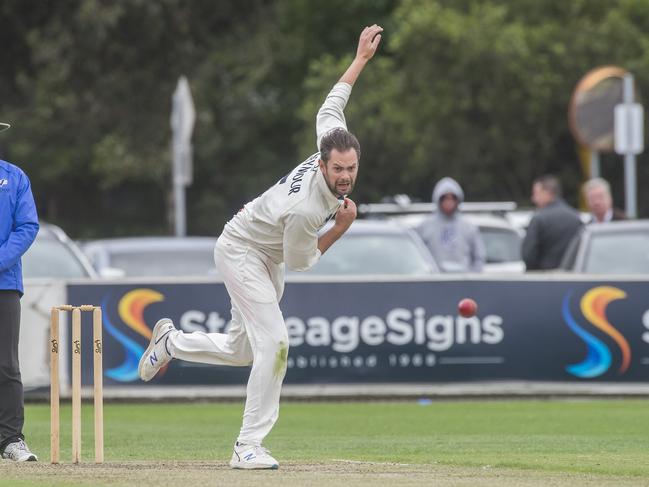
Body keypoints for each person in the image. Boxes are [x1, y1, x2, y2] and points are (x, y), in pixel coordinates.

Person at [138, 25, 383, 469]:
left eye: (351, 168)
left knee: (244, 350)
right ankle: (246, 445)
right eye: (339, 170)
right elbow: (302, 259)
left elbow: (332, 104)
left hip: (265, 253)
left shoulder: (330, 140)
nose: (345, 177)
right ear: (323, 165)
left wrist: (361, 59)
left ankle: (172, 342)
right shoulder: (308, 209)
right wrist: (342, 225)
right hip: (241, 249)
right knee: (276, 343)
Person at [0, 122, 40, 462]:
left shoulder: (13, 177)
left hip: (4, 283)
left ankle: (11, 439)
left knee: (6, 365)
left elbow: (27, 226)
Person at [415, 177, 486, 272]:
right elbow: (417, 256)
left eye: (453, 198)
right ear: (438, 199)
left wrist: (472, 278)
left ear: (458, 200)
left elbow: (479, 257)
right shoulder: (425, 226)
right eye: (445, 198)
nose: (449, 202)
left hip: (463, 282)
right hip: (434, 281)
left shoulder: (468, 227)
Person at [522, 175, 582, 271]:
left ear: (547, 193)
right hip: (572, 276)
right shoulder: (576, 217)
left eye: (536, 193)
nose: (533, 198)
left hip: (544, 278)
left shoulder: (539, 218)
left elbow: (528, 255)